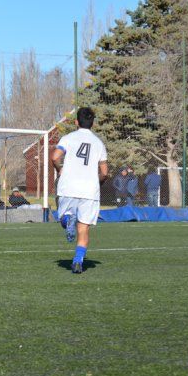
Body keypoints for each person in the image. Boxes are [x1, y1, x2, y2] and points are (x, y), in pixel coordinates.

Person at [51, 107, 108, 274]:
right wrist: (96, 181)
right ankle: (77, 261)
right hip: (89, 191)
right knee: (83, 229)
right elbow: (104, 172)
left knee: (63, 217)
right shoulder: (99, 143)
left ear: (76, 122)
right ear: (93, 123)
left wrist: (59, 169)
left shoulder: (68, 138)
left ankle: (67, 219)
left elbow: (55, 157)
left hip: (68, 187)